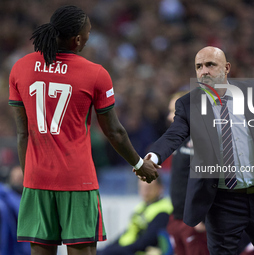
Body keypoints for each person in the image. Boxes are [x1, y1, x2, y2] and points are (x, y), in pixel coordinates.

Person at [8, 5, 159, 255]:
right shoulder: (95, 74)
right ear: (78, 39)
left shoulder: (21, 68)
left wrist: (30, 180)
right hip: (77, 182)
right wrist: (139, 163)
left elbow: (23, 134)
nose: (89, 37)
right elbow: (115, 132)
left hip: (36, 181)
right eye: (88, 32)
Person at [145, 46, 254, 255]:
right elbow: (173, 135)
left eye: (210, 65)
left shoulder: (253, 92)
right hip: (222, 203)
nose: (204, 71)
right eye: (199, 66)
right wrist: (154, 156)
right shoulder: (188, 105)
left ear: (227, 68)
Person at [165, 92, 209, 255]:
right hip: (177, 217)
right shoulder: (178, 138)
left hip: (192, 221)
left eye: (173, 112)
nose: (170, 117)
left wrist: (202, 217)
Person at [98, 177, 173, 255]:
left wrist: (114, 251)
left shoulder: (163, 210)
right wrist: (107, 249)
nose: (145, 192)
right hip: (127, 248)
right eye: (142, 188)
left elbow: (147, 241)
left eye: (148, 188)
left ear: (160, 188)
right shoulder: (141, 207)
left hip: (137, 251)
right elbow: (128, 232)